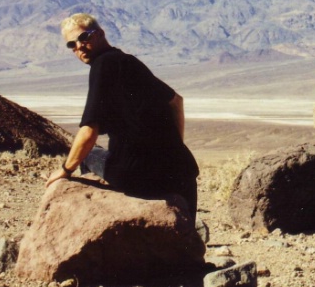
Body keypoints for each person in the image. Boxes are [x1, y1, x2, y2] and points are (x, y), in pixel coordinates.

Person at [45, 13, 199, 216]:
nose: (79, 47)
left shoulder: (102, 65)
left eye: (83, 37)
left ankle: (96, 215)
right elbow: (176, 101)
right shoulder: (128, 61)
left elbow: (89, 131)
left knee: (87, 155)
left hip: (136, 175)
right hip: (181, 172)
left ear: (100, 34)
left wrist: (65, 170)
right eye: (71, 45)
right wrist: (173, 149)